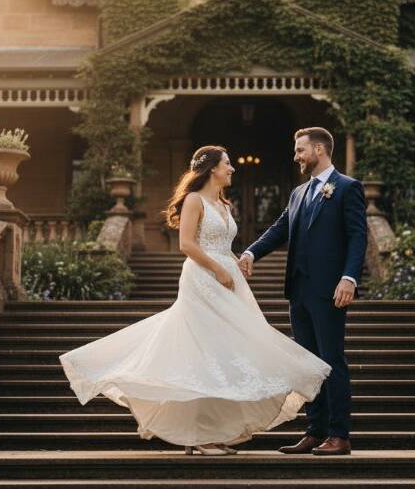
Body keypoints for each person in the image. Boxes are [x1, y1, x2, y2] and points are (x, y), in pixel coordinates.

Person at [59, 145, 330, 456]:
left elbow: (222, 244)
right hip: (203, 278)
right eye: (228, 164)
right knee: (201, 352)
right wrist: (217, 268)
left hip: (229, 279)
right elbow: (187, 244)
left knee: (222, 356)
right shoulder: (193, 200)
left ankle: (208, 433)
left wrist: (236, 262)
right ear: (212, 168)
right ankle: (197, 435)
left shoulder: (225, 204)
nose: (233, 168)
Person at [239, 127, 367, 456]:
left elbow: (357, 237)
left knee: (331, 361)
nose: (295, 156)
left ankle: (340, 435)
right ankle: (315, 431)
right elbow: (280, 228)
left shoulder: (347, 188)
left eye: (300, 150)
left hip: (329, 290)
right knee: (307, 365)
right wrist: (252, 252)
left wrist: (349, 277)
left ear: (320, 150)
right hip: (299, 290)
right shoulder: (298, 193)